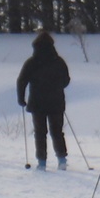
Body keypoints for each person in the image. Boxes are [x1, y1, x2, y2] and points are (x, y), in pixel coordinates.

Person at [16, 28, 72, 168]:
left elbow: (21, 81)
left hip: (37, 102)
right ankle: (62, 160)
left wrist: (21, 98)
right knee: (57, 131)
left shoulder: (31, 62)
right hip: (56, 102)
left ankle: (42, 162)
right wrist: (57, 87)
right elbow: (66, 80)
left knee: (40, 133)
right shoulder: (59, 61)